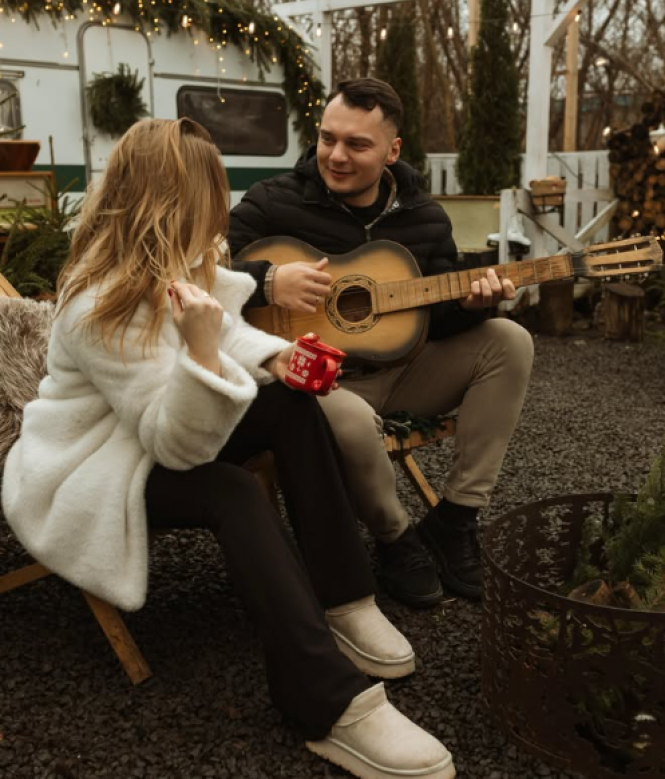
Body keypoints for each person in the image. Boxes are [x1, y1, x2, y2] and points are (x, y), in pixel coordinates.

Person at [1, 119, 455, 779]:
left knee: (290, 401)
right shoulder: (96, 303)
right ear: (166, 207)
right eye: (206, 200)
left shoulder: (179, 258)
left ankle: (345, 599)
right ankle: (324, 702)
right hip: (89, 463)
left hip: (149, 431)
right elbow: (178, 445)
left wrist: (279, 355)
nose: (218, 215)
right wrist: (205, 352)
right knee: (230, 489)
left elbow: (228, 329)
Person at [229, 77, 534, 605]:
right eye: (328, 139)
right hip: (314, 382)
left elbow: (434, 322)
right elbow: (200, 266)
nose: (336, 155)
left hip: (402, 371)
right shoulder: (272, 202)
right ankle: (396, 541)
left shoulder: (425, 217)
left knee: (509, 339)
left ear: (392, 151)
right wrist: (268, 280)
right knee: (344, 416)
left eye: (357, 144)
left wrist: (469, 305)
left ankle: (456, 518)